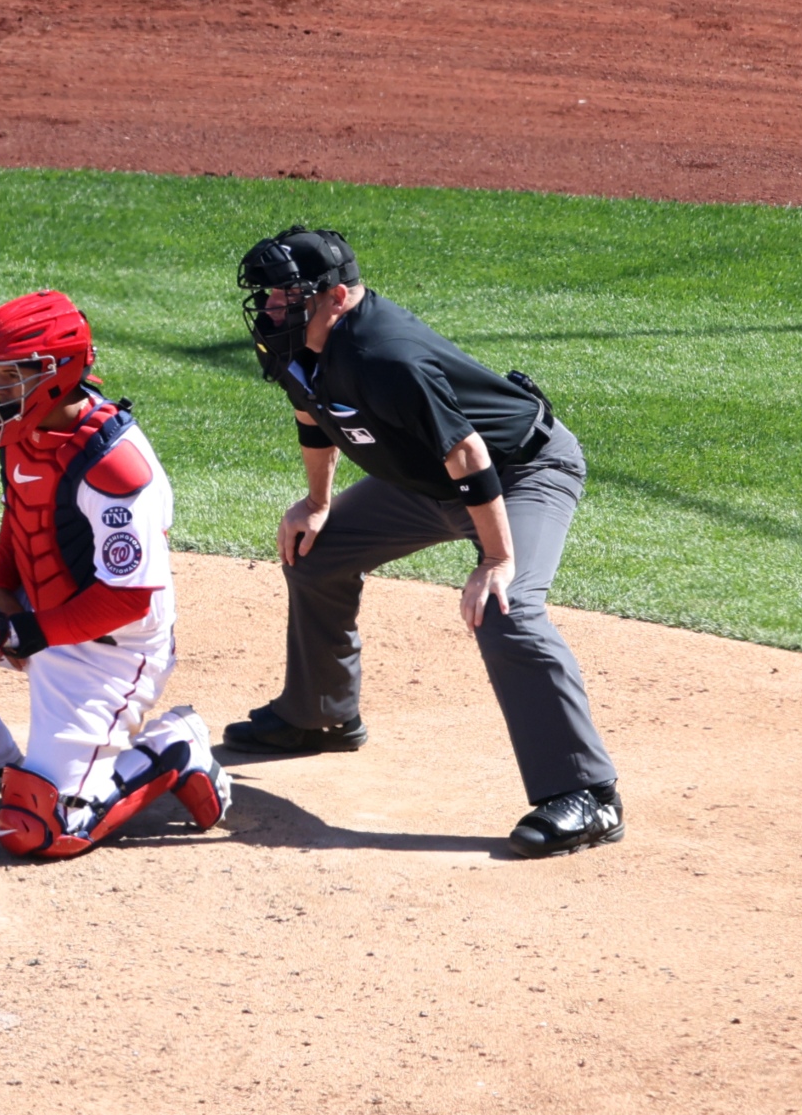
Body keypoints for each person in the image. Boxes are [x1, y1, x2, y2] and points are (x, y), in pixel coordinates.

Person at [220, 230, 623, 859]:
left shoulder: (387, 357)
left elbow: (469, 454)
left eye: (286, 297)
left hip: (518, 471)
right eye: (269, 296)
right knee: (317, 553)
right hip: (427, 481)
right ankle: (321, 713)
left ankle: (587, 794)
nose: (272, 309)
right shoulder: (300, 342)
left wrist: (496, 559)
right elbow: (312, 415)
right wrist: (318, 503)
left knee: (505, 608)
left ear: (337, 297)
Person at [0, 291, 229, 859]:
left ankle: (173, 749)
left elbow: (128, 601)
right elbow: (23, 521)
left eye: (10, 375)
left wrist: (15, 632)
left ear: (56, 374)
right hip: (36, 609)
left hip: (106, 649)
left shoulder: (114, 466)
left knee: (40, 830)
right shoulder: (25, 428)